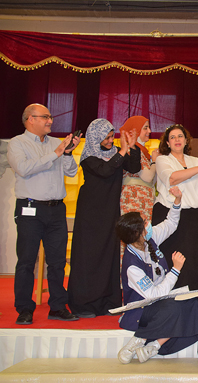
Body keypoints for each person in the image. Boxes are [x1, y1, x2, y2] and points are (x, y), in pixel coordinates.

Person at [7, 103, 82, 324]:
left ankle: (58, 306)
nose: (50, 121)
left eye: (50, 117)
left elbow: (71, 172)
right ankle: (24, 308)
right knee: (26, 261)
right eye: (45, 117)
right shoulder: (17, 143)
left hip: (56, 209)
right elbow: (23, 168)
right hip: (30, 209)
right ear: (30, 119)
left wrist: (67, 153)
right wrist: (55, 153)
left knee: (57, 262)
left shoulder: (57, 143)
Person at [116, 186, 198, 364]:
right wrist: (175, 270)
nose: (148, 224)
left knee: (193, 304)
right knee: (175, 309)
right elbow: (154, 295)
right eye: (144, 223)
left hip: (160, 301)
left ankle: (154, 346)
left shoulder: (148, 240)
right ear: (137, 234)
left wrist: (177, 201)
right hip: (141, 310)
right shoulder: (132, 265)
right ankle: (138, 339)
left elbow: (170, 224)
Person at [68, 119, 140, 318]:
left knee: (108, 255)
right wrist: (122, 151)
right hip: (90, 214)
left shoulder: (116, 152)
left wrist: (132, 147)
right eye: (106, 138)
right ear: (95, 138)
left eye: (111, 137)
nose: (110, 141)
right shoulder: (89, 157)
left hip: (110, 212)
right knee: (89, 256)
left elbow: (134, 167)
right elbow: (105, 171)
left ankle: (107, 301)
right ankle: (84, 304)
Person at [152, 124, 198, 291]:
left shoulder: (194, 161)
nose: (177, 140)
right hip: (170, 214)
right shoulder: (163, 160)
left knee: (194, 256)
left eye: (180, 136)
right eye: (172, 137)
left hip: (194, 216)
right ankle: (171, 296)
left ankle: (193, 294)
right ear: (167, 143)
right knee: (173, 255)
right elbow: (172, 179)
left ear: (186, 140)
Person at [120, 115, 158, 227]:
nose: (149, 131)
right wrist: (154, 161)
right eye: (145, 128)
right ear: (135, 130)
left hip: (145, 201)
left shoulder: (143, 153)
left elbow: (152, 181)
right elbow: (148, 177)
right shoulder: (130, 150)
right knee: (134, 232)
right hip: (134, 201)